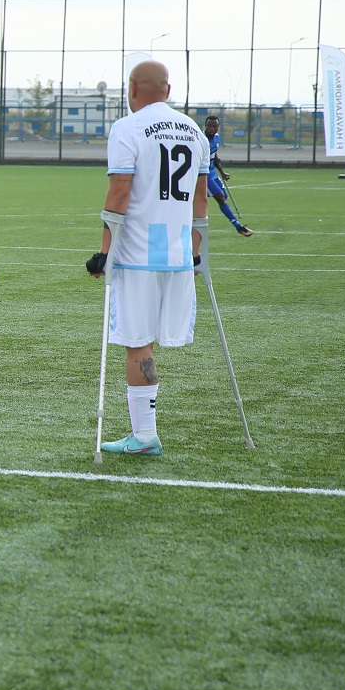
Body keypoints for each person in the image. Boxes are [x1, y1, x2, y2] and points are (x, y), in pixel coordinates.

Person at [87, 60, 210, 457]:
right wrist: (196, 253)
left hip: (138, 254)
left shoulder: (128, 127)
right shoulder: (195, 131)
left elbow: (119, 192)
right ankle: (144, 432)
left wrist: (104, 252)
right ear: (168, 90)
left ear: (133, 88)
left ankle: (144, 435)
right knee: (146, 344)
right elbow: (201, 200)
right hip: (178, 253)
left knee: (137, 342)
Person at [201, 115, 253, 236]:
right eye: (209, 126)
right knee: (219, 197)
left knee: (223, 197)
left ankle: (196, 197)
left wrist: (222, 172)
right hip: (204, 173)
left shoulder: (217, 138)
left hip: (213, 172)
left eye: (215, 126)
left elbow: (215, 156)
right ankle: (238, 226)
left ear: (218, 127)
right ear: (205, 126)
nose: (212, 128)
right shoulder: (201, 139)